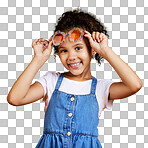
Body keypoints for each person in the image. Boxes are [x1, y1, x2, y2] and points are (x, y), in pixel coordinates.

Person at [7, 8, 142, 148]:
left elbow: (134, 85)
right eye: (64, 50)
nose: (71, 57)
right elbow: (15, 98)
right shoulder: (51, 81)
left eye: (78, 48)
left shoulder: (101, 88)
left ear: (93, 49)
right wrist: (38, 60)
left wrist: (105, 51)